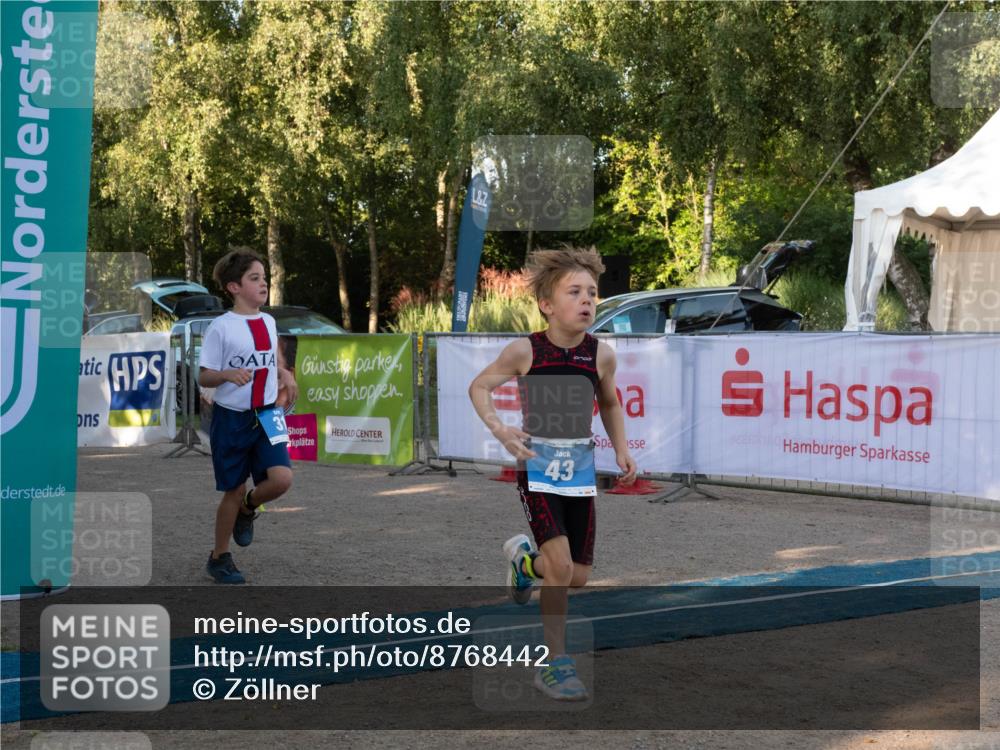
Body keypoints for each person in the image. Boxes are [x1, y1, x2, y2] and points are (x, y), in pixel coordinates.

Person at [468, 246, 637, 700]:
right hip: (537, 468)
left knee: (576, 576)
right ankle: (554, 664)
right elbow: (479, 386)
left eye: (593, 293)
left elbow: (610, 403)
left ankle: (525, 563)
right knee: (561, 567)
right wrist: (501, 429)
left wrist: (622, 449)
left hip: (579, 472)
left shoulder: (601, 355)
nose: (587, 301)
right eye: (574, 292)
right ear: (547, 304)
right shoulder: (525, 350)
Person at [198, 248, 298, 584]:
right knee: (234, 489)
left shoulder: (268, 322)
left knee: (282, 479)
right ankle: (219, 557)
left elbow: (272, 363)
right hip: (232, 419)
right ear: (234, 287)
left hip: (268, 414)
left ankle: (248, 507)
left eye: (264, 278)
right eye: (254, 278)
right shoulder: (221, 328)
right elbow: (204, 377)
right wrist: (226, 375)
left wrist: (285, 375)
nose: (263, 284)